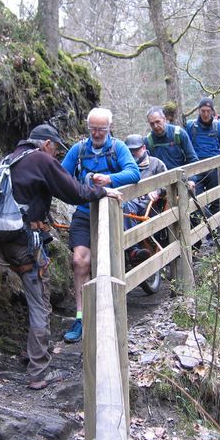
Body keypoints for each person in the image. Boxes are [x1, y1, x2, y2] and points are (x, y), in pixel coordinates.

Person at [0, 124, 122, 389]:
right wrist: (101, 191)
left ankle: (31, 353)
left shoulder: (12, 157)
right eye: (55, 149)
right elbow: (73, 191)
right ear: (47, 144)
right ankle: (38, 372)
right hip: (25, 241)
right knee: (39, 303)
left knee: (37, 296)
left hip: (6, 239)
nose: (55, 155)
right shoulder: (40, 159)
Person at [61, 108, 140, 343]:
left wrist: (109, 180)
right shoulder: (79, 150)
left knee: (108, 263)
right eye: (93, 129)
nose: (96, 133)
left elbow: (134, 172)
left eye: (101, 129)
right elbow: (62, 175)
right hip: (85, 212)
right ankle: (81, 318)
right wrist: (83, 182)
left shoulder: (118, 148)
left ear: (109, 128)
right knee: (79, 261)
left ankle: (110, 315)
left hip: (111, 214)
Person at [122, 134, 167, 262]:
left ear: (144, 147)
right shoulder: (123, 166)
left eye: (135, 150)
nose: (133, 153)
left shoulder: (156, 163)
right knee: (125, 205)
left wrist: (158, 192)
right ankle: (131, 251)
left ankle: (132, 249)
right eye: (129, 151)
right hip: (128, 206)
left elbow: (167, 183)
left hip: (151, 206)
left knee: (127, 206)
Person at [185, 97, 220, 213]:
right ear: (199, 110)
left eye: (208, 111)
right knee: (197, 201)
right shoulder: (190, 126)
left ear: (212, 111)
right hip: (195, 168)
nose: (206, 114)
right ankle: (206, 228)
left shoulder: (219, 126)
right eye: (203, 111)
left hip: (214, 167)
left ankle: (218, 228)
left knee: (217, 199)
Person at [145, 106, 198, 171]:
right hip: (160, 179)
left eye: (157, 122)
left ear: (164, 119)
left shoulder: (179, 134)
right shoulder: (148, 141)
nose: (155, 126)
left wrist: (192, 179)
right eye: (152, 124)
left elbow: (192, 159)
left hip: (181, 176)